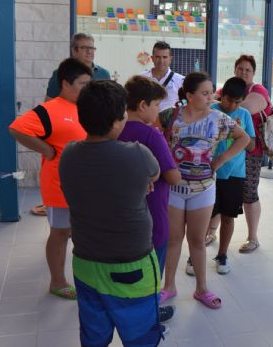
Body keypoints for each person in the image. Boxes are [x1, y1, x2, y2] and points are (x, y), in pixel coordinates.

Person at [59, 80, 164, 346]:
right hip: (132, 266)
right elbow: (156, 173)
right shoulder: (138, 154)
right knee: (140, 335)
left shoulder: (69, 154)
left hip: (86, 263)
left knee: (94, 334)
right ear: (119, 120)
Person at [159, 72, 249, 309]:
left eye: (212, 92)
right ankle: (168, 286)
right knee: (174, 239)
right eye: (205, 93)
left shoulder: (219, 119)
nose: (211, 98)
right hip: (174, 189)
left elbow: (244, 138)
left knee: (197, 240)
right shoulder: (170, 116)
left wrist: (220, 159)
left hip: (203, 188)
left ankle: (201, 289)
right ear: (189, 95)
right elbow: (153, 137)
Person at [9, 58, 92, 300]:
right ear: (66, 84)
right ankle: (57, 281)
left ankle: (85, 279)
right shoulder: (49, 109)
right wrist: (46, 150)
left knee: (83, 234)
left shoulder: (85, 108)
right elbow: (17, 128)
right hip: (59, 186)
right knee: (60, 233)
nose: (86, 89)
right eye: (82, 84)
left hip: (85, 186)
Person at [119, 76, 181, 324]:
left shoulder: (114, 130)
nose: (158, 111)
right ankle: (149, 314)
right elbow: (173, 176)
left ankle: (127, 308)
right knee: (153, 269)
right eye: (156, 105)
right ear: (143, 105)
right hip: (153, 216)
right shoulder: (151, 135)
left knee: (129, 267)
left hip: (124, 215)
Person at [31, 33, 111, 217]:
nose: (90, 52)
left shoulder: (103, 74)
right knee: (65, 180)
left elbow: (109, 103)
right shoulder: (60, 75)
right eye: (85, 48)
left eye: (92, 48)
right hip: (67, 133)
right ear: (74, 50)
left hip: (94, 132)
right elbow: (49, 103)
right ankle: (62, 222)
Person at [213, 55, 272, 254]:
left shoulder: (257, 91)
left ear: (253, 73)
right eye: (240, 69)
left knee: (248, 193)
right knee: (218, 193)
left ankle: (252, 237)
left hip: (250, 152)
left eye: (248, 70)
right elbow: (211, 102)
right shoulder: (226, 90)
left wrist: (222, 102)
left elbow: (243, 109)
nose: (243, 72)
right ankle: (211, 231)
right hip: (225, 151)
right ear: (235, 69)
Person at [207, 77, 256, 274]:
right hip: (209, 172)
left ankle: (222, 254)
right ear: (222, 96)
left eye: (237, 102)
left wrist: (237, 130)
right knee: (205, 216)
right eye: (229, 100)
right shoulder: (211, 111)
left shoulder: (243, 115)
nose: (232, 105)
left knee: (228, 216)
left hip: (235, 173)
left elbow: (251, 145)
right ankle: (196, 256)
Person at [142, 41, 184, 111]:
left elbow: (187, 101)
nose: (161, 61)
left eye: (165, 57)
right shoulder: (142, 78)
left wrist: (175, 108)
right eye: (158, 57)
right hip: (147, 121)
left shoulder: (180, 80)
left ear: (170, 59)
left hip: (171, 121)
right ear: (152, 58)